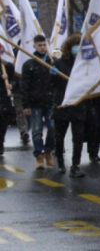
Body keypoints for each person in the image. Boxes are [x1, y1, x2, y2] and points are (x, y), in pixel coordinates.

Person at [51, 34, 86, 177]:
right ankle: (60, 162)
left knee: (78, 137)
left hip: (78, 104)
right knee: (59, 137)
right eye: (74, 46)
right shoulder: (59, 64)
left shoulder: (84, 64)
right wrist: (52, 75)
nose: (77, 49)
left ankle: (75, 165)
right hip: (62, 104)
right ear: (69, 47)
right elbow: (52, 84)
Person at [21, 35, 55, 169]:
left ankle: (48, 151)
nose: (42, 47)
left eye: (44, 45)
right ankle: (39, 155)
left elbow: (58, 84)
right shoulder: (29, 64)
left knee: (52, 128)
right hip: (35, 103)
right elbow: (25, 85)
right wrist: (25, 104)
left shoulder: (52, 62)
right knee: (36, 130)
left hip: (51, 101)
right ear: (34, 46)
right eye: (39, 45)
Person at [0, 60, 16, 155]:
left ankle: (1, 141)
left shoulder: (8, 66)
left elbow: (14, 80)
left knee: (3, 121)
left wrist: (11, 85)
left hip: (4, 97)